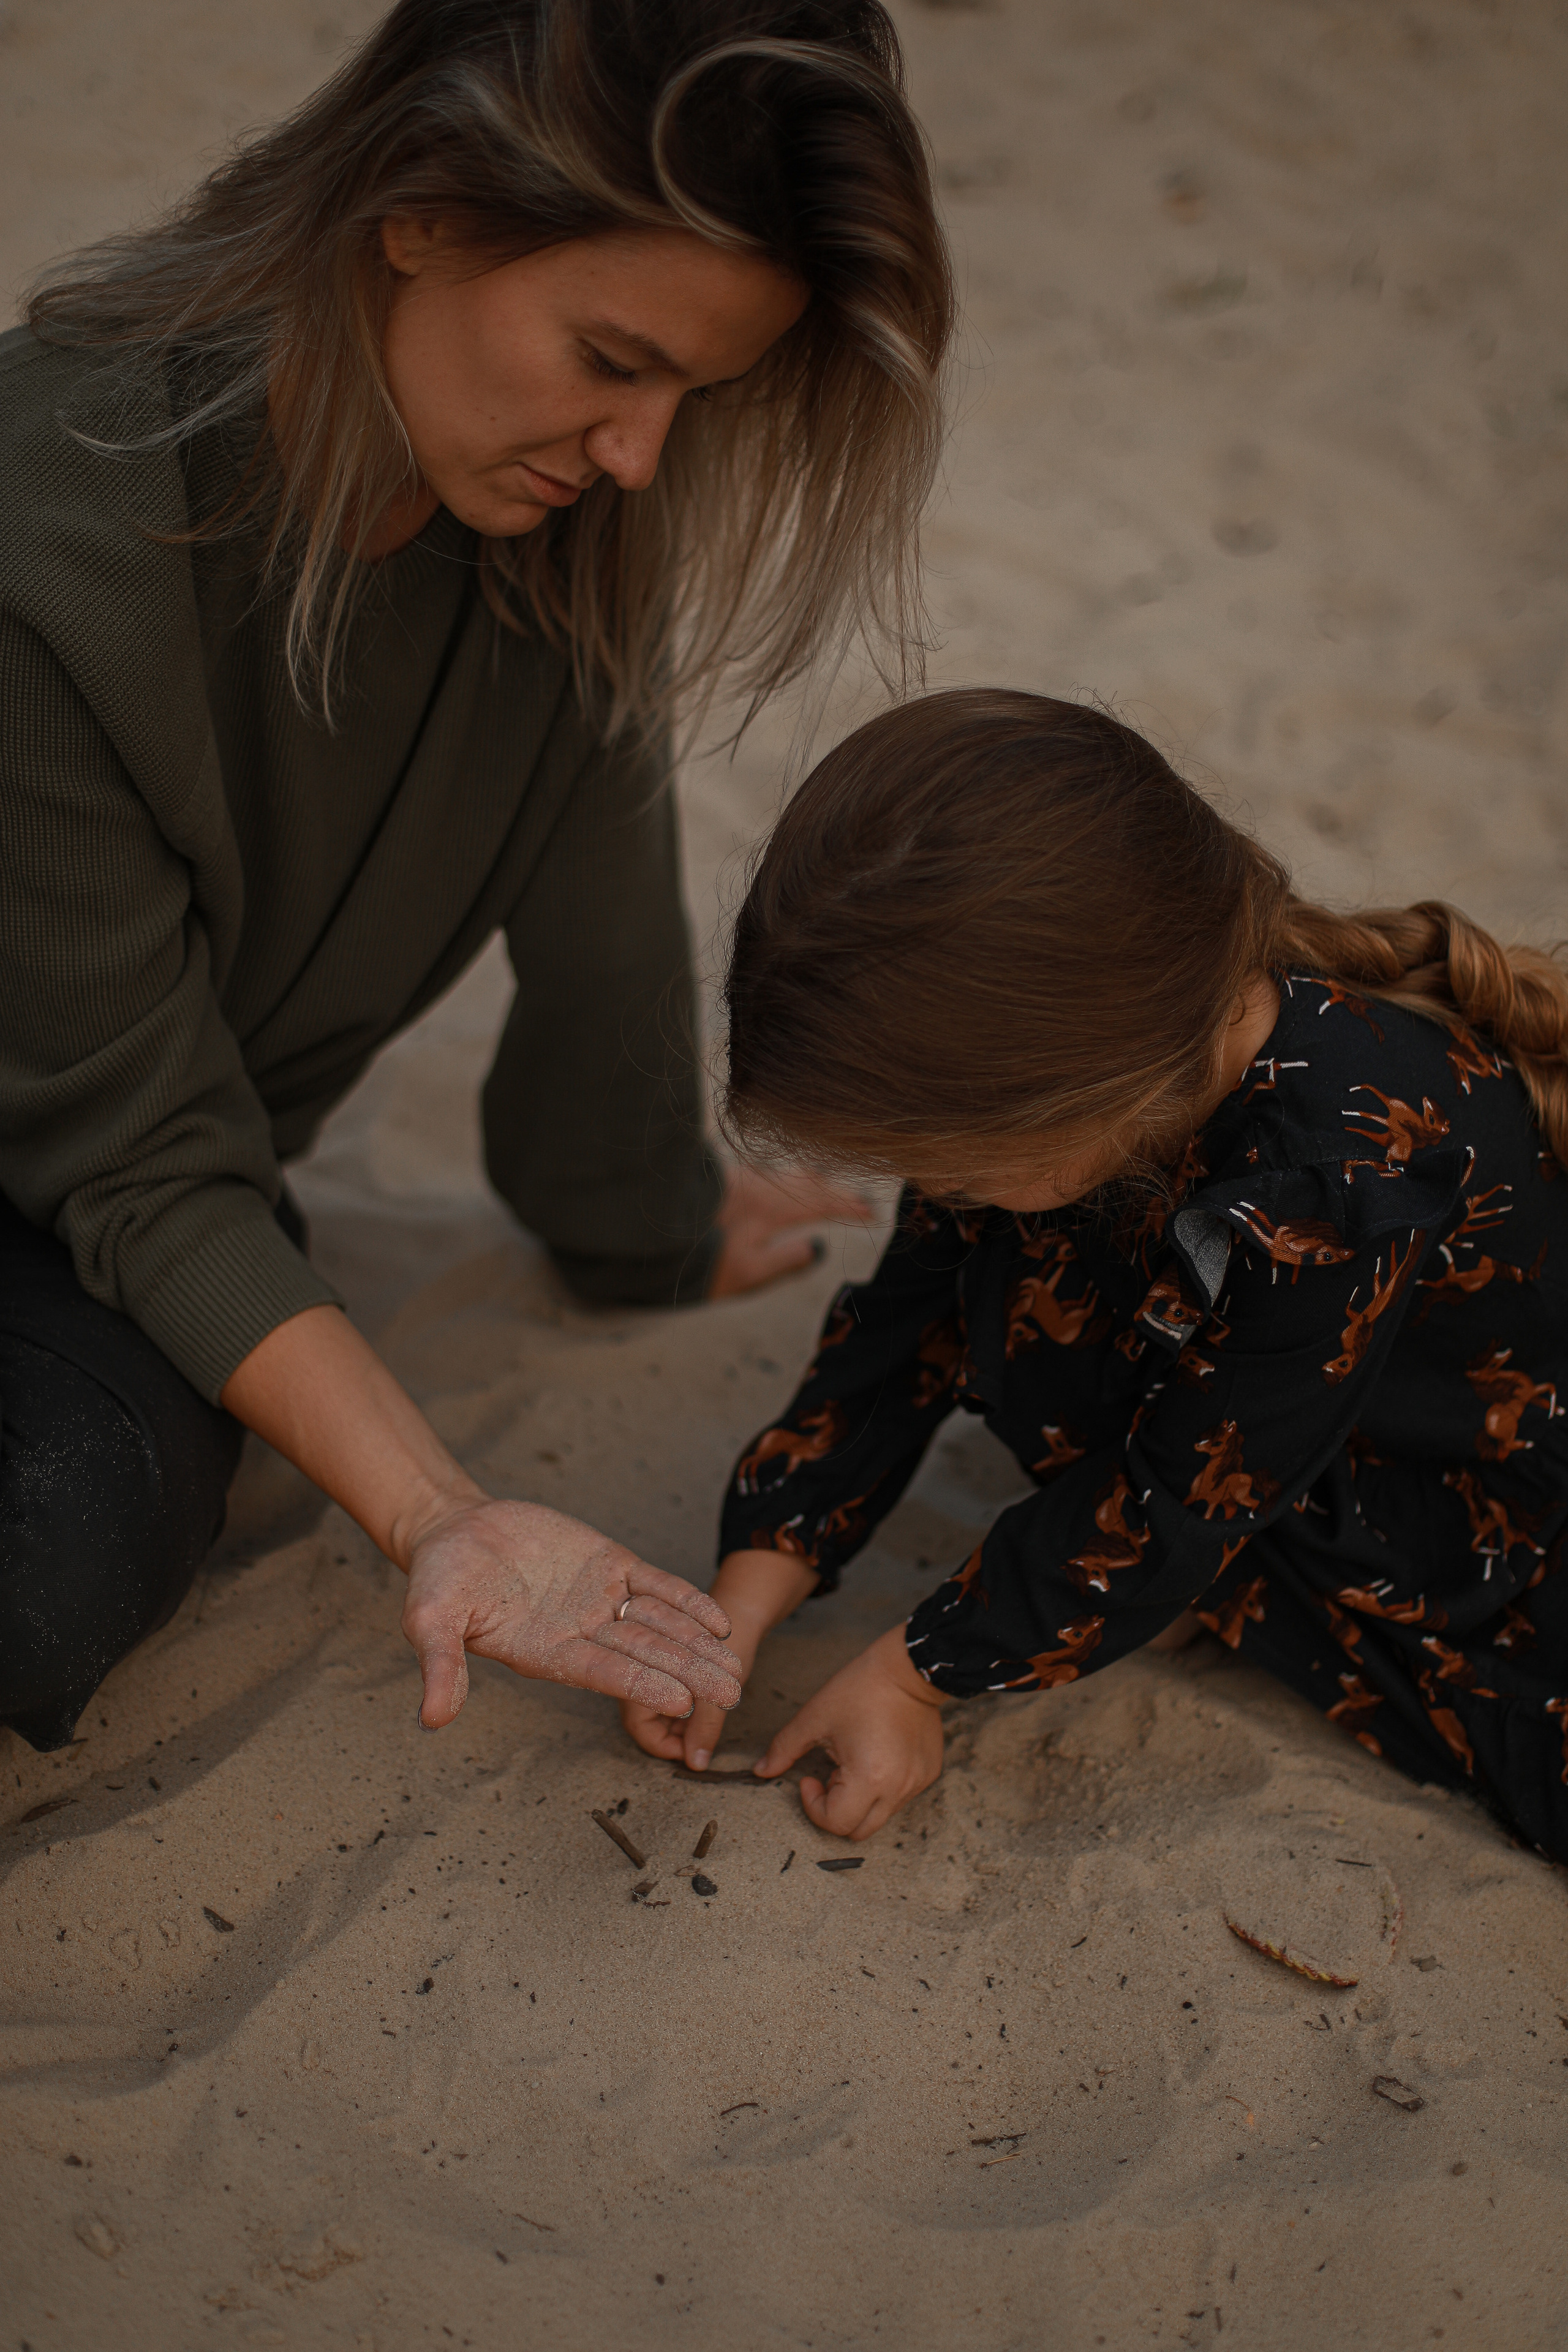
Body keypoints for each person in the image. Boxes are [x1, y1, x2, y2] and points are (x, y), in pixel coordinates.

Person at [0, 0, 956, 1752]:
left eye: (696, 390)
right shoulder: (46, 540)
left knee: (61, 1553)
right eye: (611, 357)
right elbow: (135, 1151)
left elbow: (602, 969)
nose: (639, 454)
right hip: (110, 1165)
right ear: (421, 207)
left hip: (104, 1229)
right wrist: (435, 1509)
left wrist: (658, 1226)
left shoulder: (565, 547)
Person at [622, 688, 1568, 1860]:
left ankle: (1201, 1604)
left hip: (1435, 1480)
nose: (931, 1189)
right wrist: (747, 1591)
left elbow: (1183, 1494)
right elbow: (904, 1327)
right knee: (1001, 1274)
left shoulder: (1340, 1173)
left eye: (938, 1162)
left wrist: (917, 1676)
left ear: (1080, 1092)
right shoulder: (1092, 1064)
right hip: (1263, 1392)